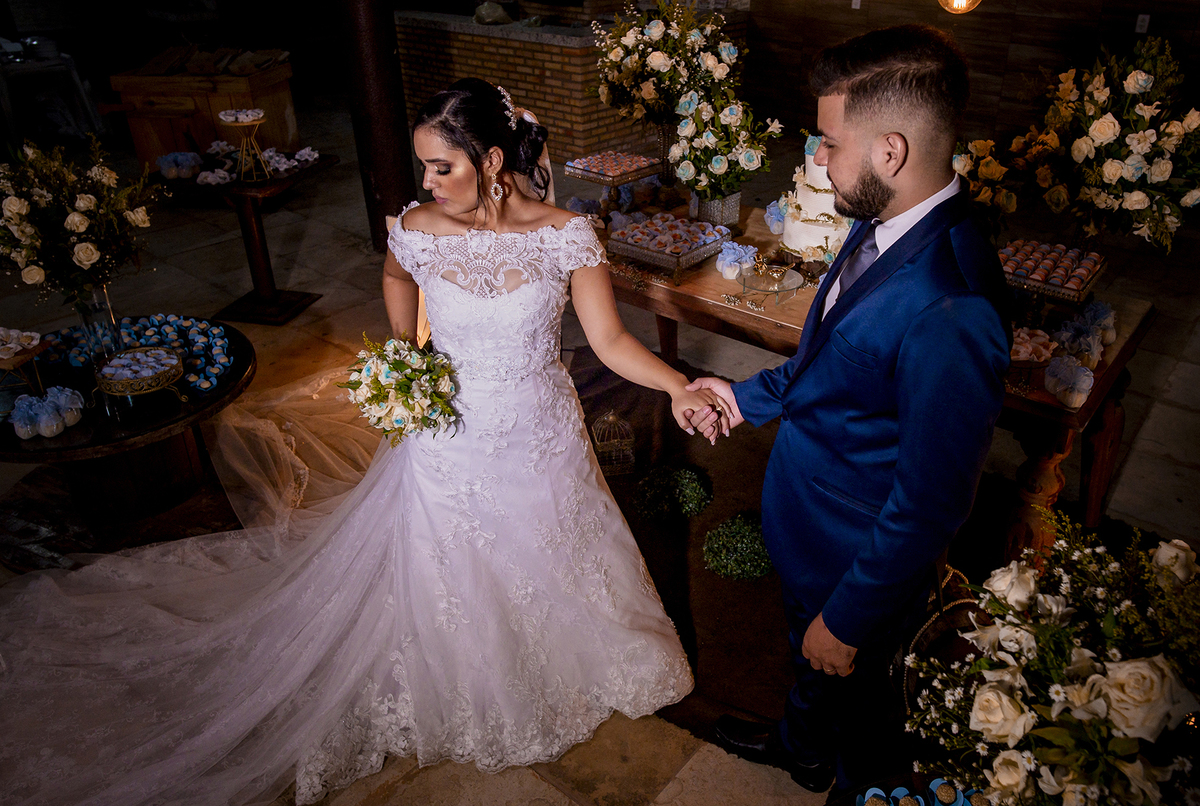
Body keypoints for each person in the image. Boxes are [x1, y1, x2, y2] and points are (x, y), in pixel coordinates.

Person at [0, 78, 732, 806]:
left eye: (442, 166)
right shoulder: (417, 227)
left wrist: (675, 385)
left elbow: (606, 340)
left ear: (494, 160)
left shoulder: (564, 236)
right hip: (446, 431)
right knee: (448, 559)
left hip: (537, 428)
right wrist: (408, 350)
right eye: (424, 166)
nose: (427, 181)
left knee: (552, 542)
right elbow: (394, 272)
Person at [684, 24, 1011, 796]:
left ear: (890, 151)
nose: (815, 159)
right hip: (809, 520)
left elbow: (932, 503)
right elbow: (832, 366)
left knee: (868, 731)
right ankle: (801, 746)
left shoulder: (952, 304)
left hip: (859, 562)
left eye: (828, 142)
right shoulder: (882, 221)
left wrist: (852, 617)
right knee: (807, 659)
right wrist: (740, 396)